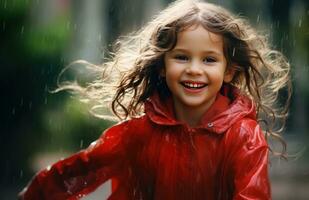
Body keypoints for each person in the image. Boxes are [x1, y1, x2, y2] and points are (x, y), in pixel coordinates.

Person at [19, 0, 292, 199]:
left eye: (209, 59)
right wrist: (35, 194)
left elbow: (252, 195)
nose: (194, 68)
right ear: (162, 65)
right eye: (182, 57)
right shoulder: (138, 133)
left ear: (228, 70)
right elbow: (81, 169)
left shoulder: (242, 135)